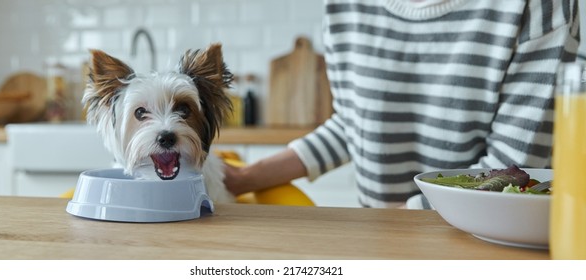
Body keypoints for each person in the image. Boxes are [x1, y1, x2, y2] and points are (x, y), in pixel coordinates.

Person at [224, 0, 580, 208]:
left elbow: (513, 173)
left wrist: (387, 234)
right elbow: (354, 123)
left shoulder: (540, 7)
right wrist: (244, 178)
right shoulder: (345, 7)